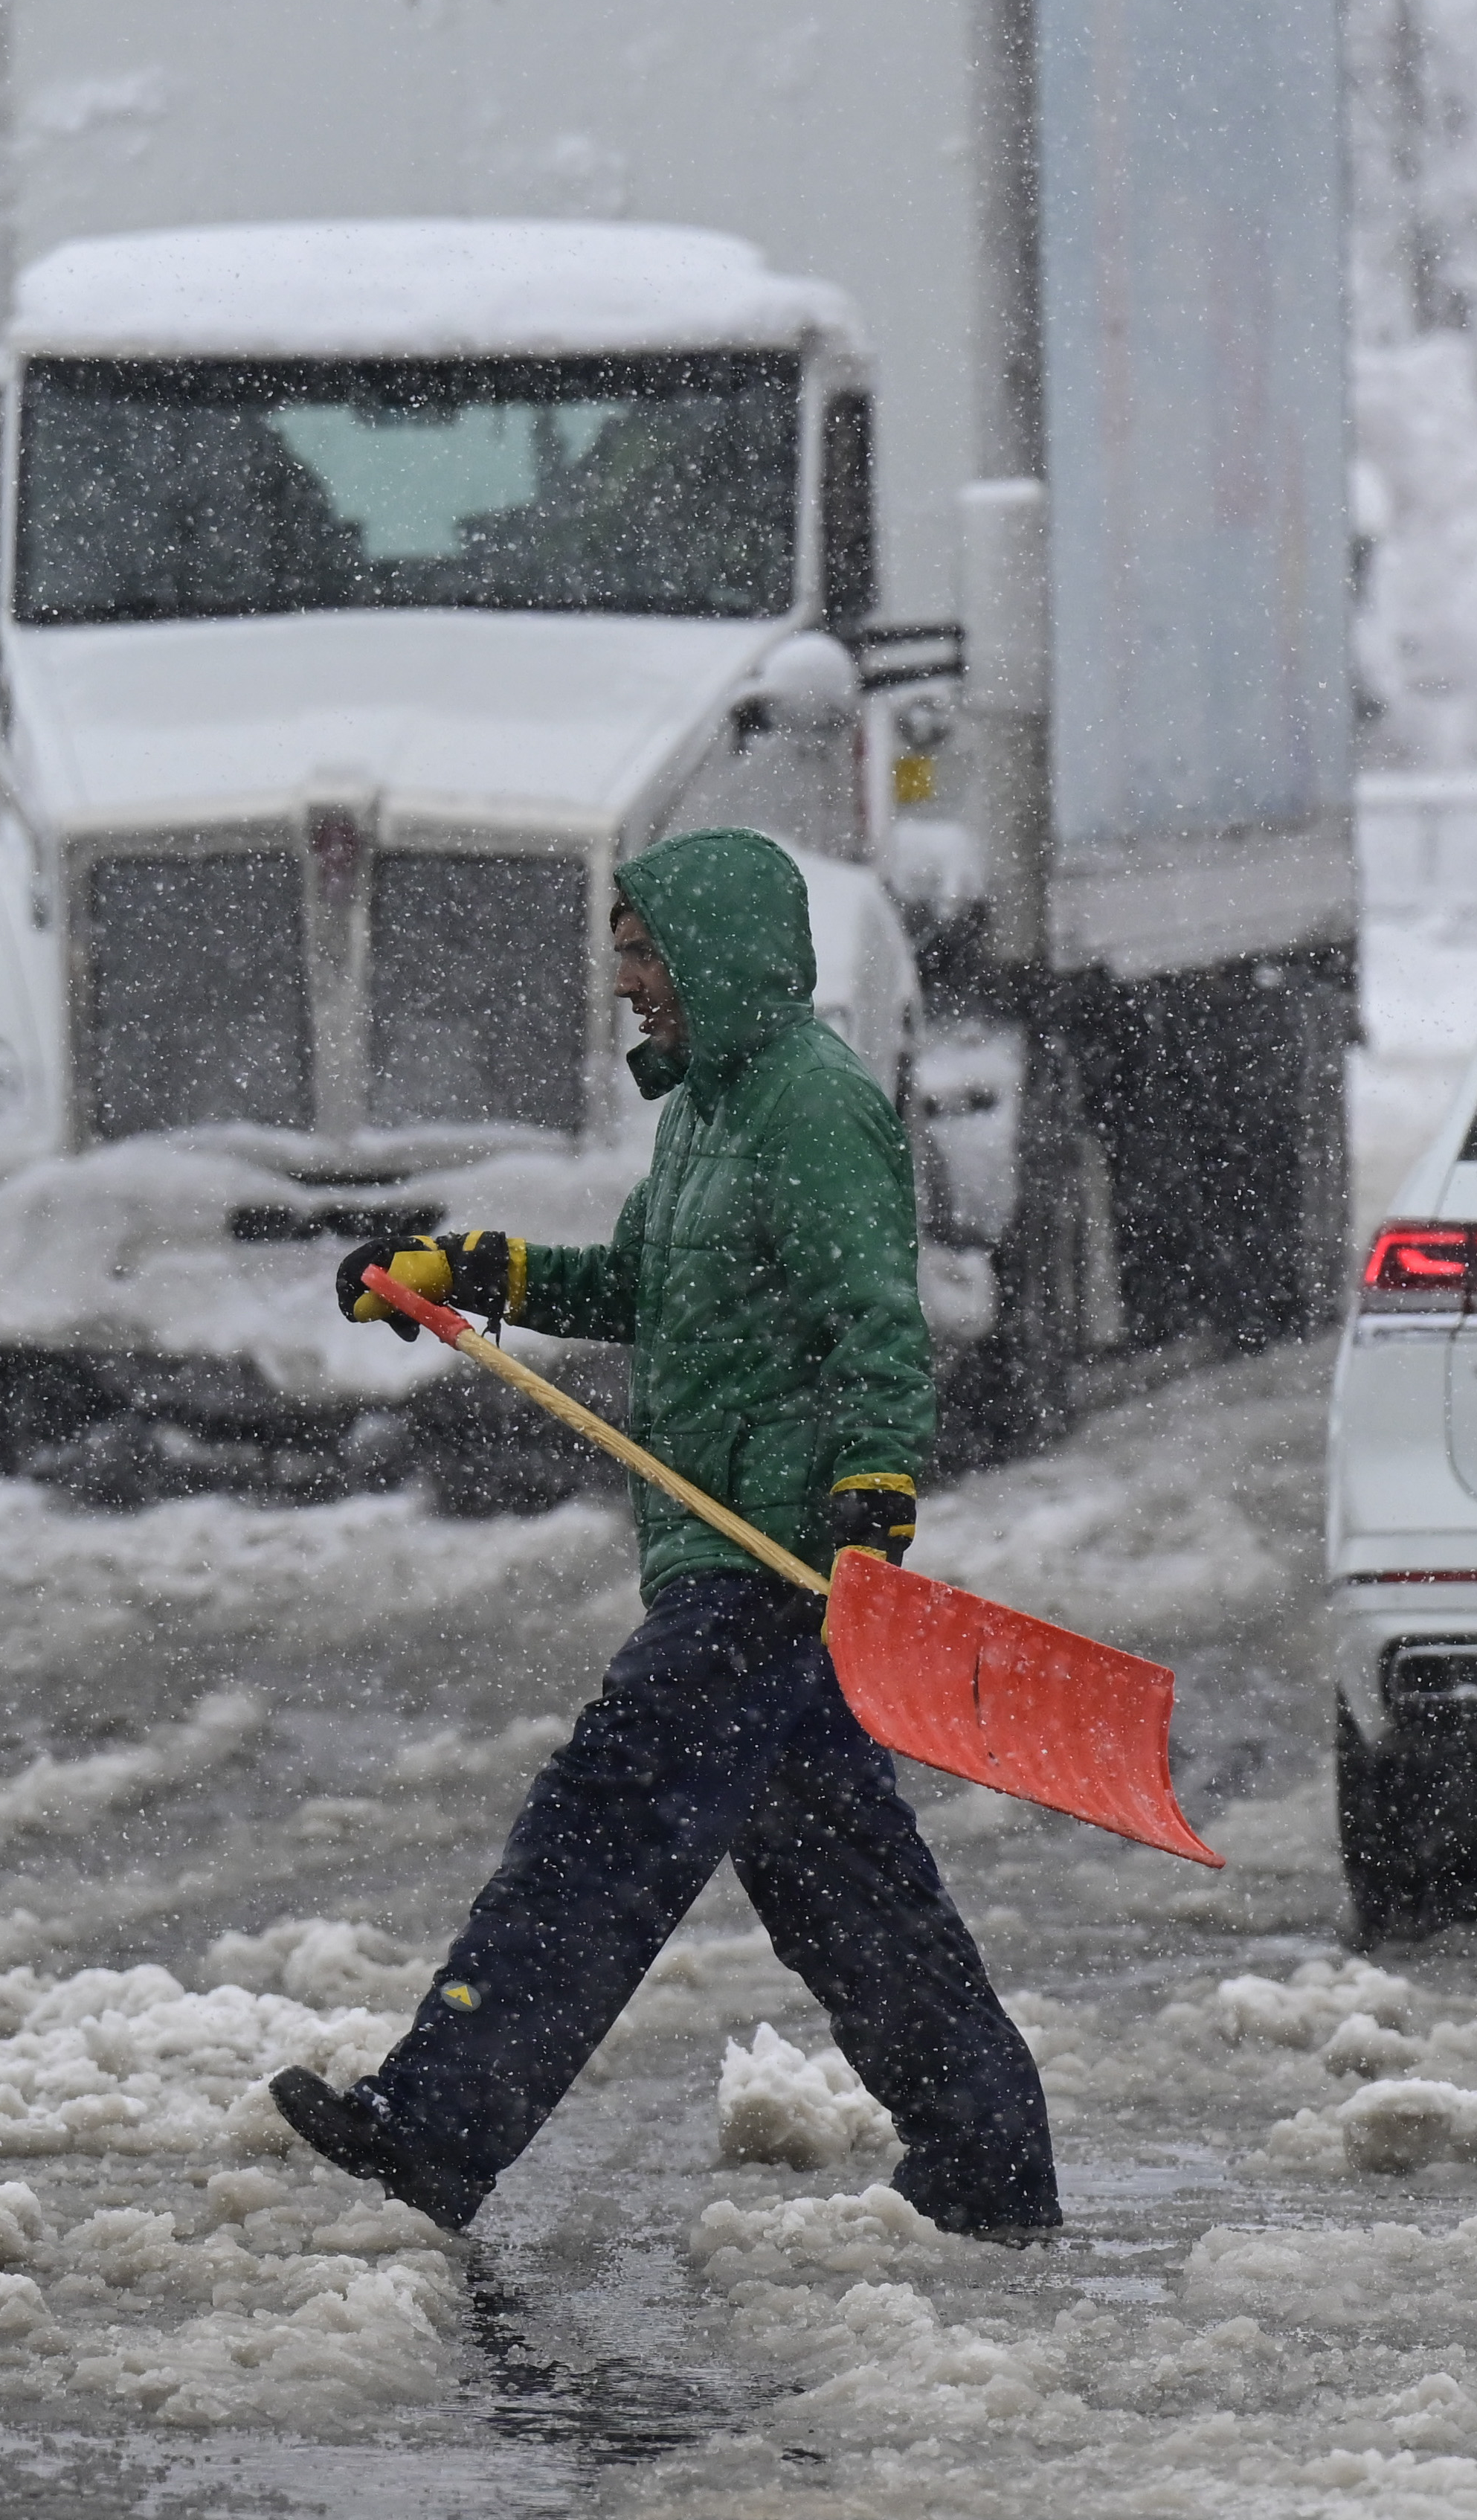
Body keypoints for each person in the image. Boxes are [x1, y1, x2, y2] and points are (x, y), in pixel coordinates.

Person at [265, 827, 1056, 2242]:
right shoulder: (705, 1113)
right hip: (726, 1552)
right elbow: (644, 1285)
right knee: (847, 1890)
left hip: (768, 1558)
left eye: (642, 949)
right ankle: (989, 2164)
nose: (625, 978)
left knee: (599, 1829)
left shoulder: (814, 1107)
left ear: (717, 952)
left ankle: (438, 2125)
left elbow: (871, 1318)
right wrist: (473, 1274)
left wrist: (871, 1494)